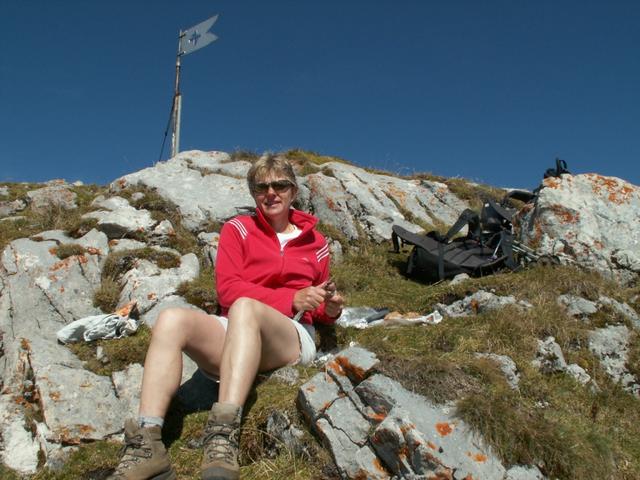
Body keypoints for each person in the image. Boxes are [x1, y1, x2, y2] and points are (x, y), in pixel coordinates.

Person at [109, 154, 344, 480]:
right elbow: (228, 291)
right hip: (237, 327)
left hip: (290, 335)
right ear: (253, 193)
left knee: (245, 307)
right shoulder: (238, 229)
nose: (271, 193)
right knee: (171, 319)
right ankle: (147, 446)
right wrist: (290, 298)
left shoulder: (316, 242)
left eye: (280, 185)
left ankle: (222, 436)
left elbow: (315, 305)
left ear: (293, 191)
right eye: (261, 187)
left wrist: (330, 310)